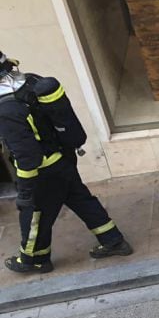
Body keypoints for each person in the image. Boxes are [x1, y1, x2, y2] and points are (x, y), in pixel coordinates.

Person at [0, 51, 132, 274]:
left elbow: (28, 157)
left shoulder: (5, 110)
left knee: (34, 216)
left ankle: (33, 260)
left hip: (44, 172)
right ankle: (113, 240)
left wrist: (25, 190)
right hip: (63, 158)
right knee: (81, 199)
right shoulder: (31, 81)